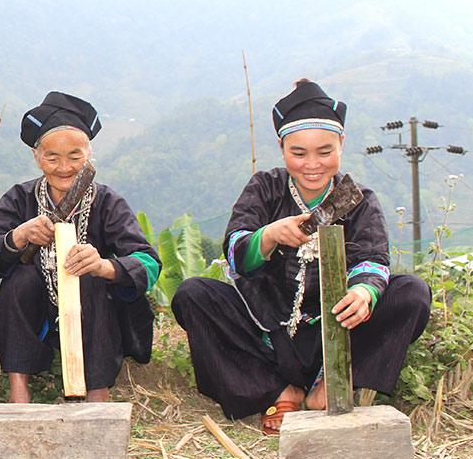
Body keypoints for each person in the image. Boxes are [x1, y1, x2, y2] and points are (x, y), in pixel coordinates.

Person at [171, 80, 431, 433]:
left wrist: (363, 293)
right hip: (268, 331)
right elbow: (235, 252)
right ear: (282, 148)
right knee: (193, 296)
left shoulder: (359, 199)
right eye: (299, 153)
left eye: (325, 152)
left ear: (342, 145)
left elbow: (373, 258)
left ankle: (333, 383)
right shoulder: (265, 188)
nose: (312, 165)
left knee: (412, 293)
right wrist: (269, 235)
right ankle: (278, 390)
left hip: (339, 329)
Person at [0, 91, 160, 402]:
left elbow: (149, 263)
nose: (64, 167)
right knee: (20, 279)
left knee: (88, 276)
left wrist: (105, 266)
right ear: (37, 157)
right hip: (41, 319)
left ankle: (97, 392)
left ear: (89, 154)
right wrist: (18, 237)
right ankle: (18, 388)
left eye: (75, 156)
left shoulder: (108, 202)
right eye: (52, 157)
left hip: (98, 318)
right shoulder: (20, 199)